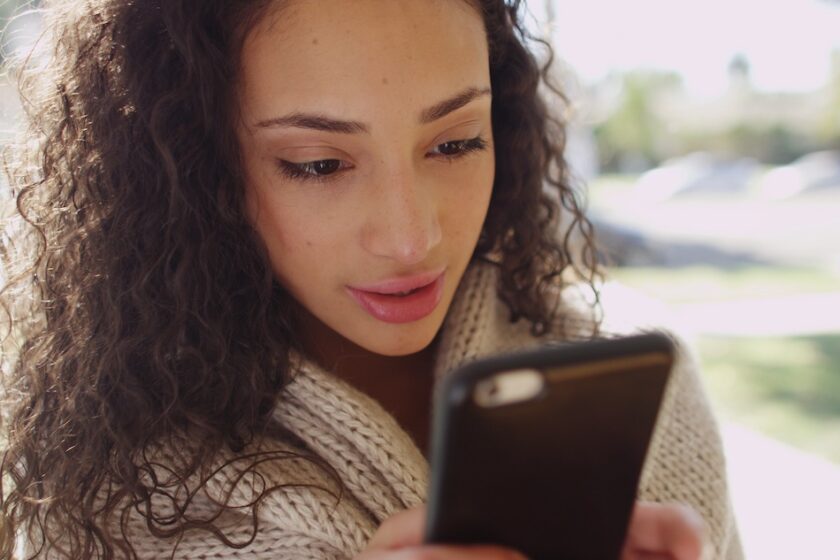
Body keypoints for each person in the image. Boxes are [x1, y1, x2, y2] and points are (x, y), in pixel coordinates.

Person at [0, 0, 742, 558]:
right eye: (319, 164)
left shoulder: (640, 384)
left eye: (455, 143)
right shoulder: (106, 486)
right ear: (197, 171)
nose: (412, 236)